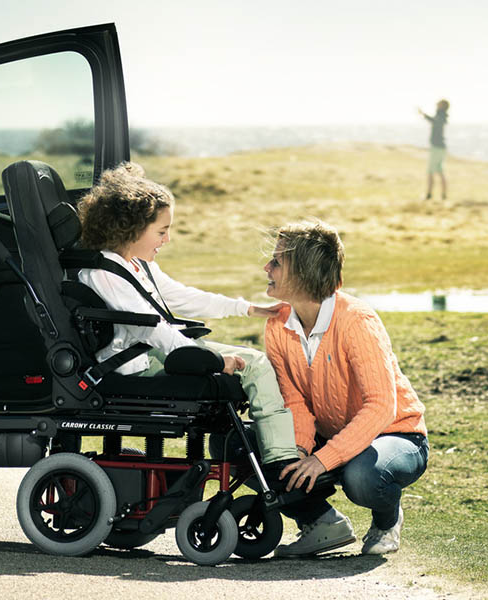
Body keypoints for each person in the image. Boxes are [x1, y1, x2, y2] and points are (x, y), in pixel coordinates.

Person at [76, 162, 299, 474]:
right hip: (134, 365)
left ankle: (281, 456)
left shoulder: (137, 265)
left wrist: (246, 308)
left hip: (148, 355)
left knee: (258, 363)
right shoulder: (104, 273)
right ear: (131, 228)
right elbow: (153, 330)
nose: (167, 240)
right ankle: (281, 463)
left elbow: (182, 297)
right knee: (256, 366)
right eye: (162, 231)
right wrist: (208, 359)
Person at [263, 220, 428, 556]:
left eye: (277, 261)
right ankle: (322, 524)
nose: (267, 267)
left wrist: (323, 460)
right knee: (255, 449)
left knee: (363, 477)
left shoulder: (357, 320)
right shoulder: (276, 324)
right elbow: (295, 401)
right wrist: (298, 451)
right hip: (331, 436)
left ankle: (386, 520)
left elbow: (381, 406)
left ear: (303, 273)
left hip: (396, 435)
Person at [418, 99, 449, 200]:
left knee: (431, 171)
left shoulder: (440, 116)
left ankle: (429, 195)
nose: (436, 105)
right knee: (439, 171)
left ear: (442, 106)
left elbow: (434, 121)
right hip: (440, 147)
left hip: (437, 147)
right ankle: (443, 195)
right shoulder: (442, 116)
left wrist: (423, 114)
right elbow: (433, 121)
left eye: (438, 104)